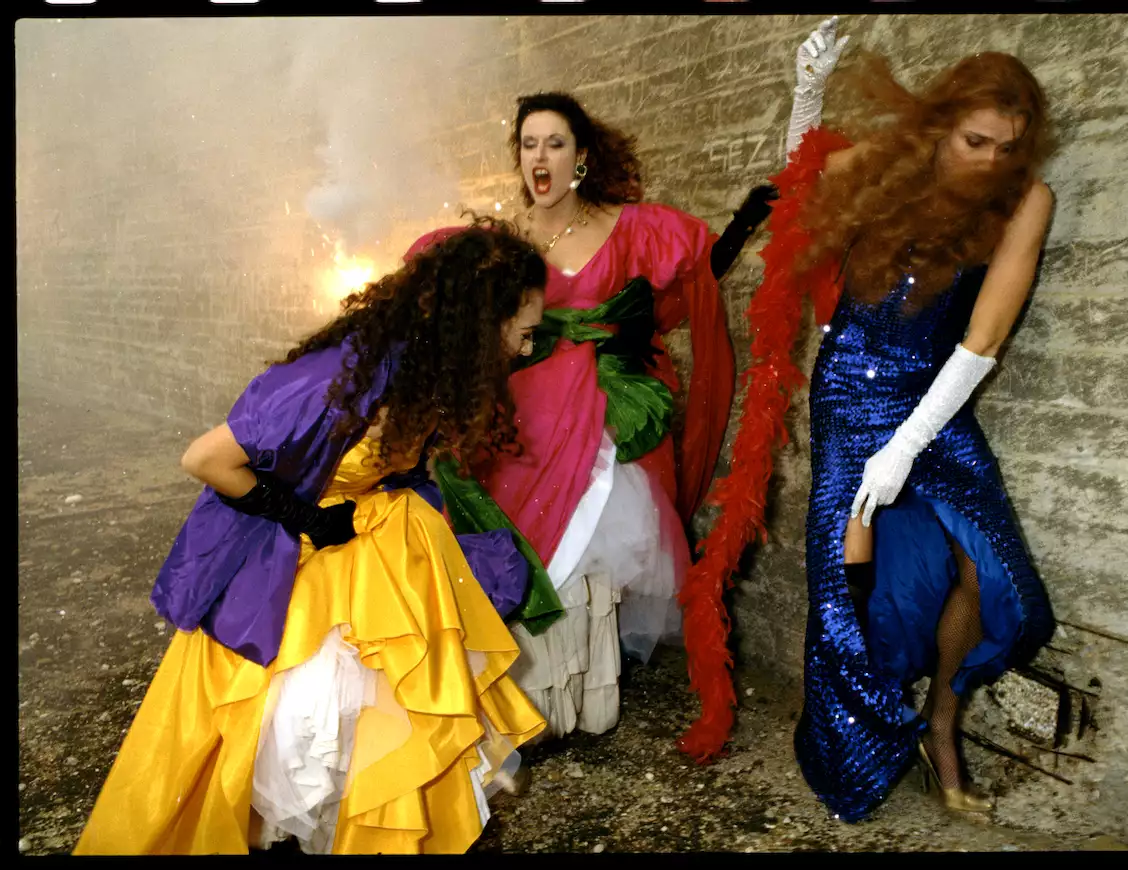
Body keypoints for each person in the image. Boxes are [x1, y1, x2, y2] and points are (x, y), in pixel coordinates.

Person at [75, 218, 550, 855]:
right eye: (522, 333)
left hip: (369, 556)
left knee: (379, 743)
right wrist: (311, 520)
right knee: (296, 743)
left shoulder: (423, 370)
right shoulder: (343, 375)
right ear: (477, 320)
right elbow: (205, 458)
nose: (525, 350)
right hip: (293, 570)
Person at [687, 16, 1059, 813]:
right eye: (975, 141)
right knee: (844, 590)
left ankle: (942, 725)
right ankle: (851, 751)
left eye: (1007, 146)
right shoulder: (885, 168)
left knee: (986, 567)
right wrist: (807, 94)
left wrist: (910, 446)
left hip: (937, 398)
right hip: (852, 397)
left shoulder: (1026, 200)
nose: (991, 161)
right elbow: (798, 198)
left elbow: (985, 335)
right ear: (938, 127)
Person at [404, 91, 760, 742]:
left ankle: (589, 689)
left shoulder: (633, 229)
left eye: (555, 143)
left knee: (593, 558)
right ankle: (534, 693)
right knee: (514, 538)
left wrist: (751, 218)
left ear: (581, 158)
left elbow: (690, 282)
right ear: (518, 158)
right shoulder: (503, 244)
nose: (540, 156)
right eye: (528, 144)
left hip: (602, 418)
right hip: (529, 411)